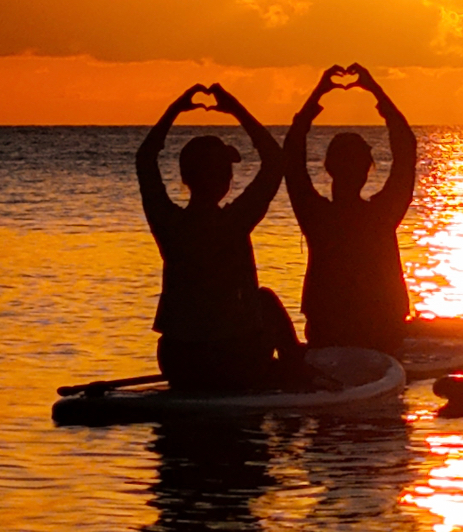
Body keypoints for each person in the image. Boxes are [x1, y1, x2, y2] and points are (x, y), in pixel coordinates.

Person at [137, 83, 306, 390]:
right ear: (225, 180)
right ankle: (296, 369)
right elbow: (275, 161)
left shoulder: (168, 222)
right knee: (264, 300)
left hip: (177, 360)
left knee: (259, 302)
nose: (228, 176)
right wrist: (236, 109)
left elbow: (145, 161)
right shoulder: (234, 221)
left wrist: (174, 109)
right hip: (232, 358)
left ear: (186, 178)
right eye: (225, 171)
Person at [284, 63, 416, 355]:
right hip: (379, 335)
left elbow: (292, 154)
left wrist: (319, 93)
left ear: (328, 168)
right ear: (368, 171)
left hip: (332, 334)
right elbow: (406, 149)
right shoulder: (381, 216)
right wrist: (375, 91)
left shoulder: (315, 215)